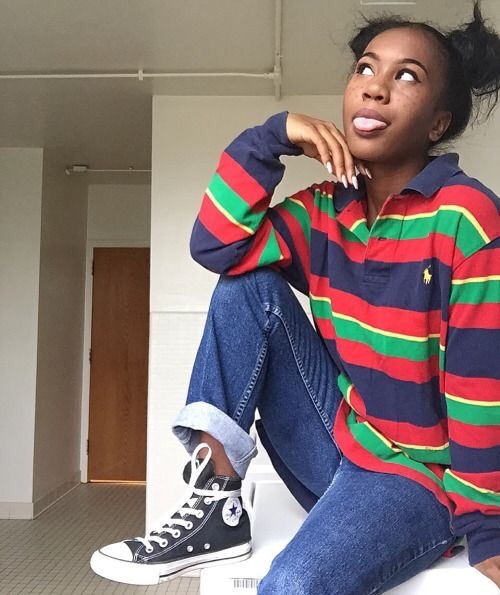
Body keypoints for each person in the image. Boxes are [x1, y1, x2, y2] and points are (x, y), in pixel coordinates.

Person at [90, 1, 500, 592]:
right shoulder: (325, 210)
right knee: (247, 284)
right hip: (338, 442)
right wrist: (272, 137)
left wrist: (486, 526)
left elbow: (481, 384)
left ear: (438, 123)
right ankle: (217, 505)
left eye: (406, 76)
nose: (375, 88)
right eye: (365, 68)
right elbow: (218, 248)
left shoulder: (467, 217)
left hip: (419, 482)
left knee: (289, 586)